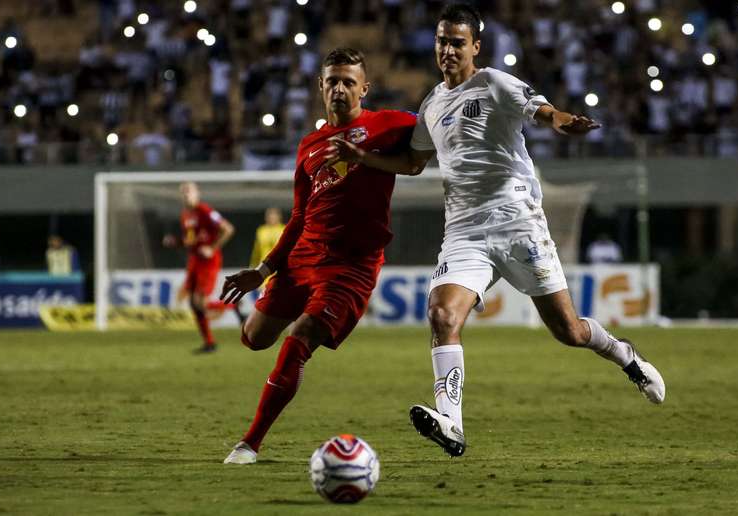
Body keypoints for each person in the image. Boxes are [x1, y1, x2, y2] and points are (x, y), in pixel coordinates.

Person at [328, 3, 665, 458]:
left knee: (568, 331)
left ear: (476, 47)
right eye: (442, 41)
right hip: (465, 231)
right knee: (442, 315)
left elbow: (543, 110)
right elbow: (412, 162)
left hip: (517, 223)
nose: (448, 50)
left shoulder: (494, 83)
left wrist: (565, 122)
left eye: (457, 42)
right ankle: (452, 424)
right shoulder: (431, 104)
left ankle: (625, 355)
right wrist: (364, 158)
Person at [219, 47, 416, 465]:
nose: (340, 88)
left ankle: (249, 444)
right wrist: (264, 269)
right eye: (332, 81)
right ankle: (308, 310)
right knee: (254, 338)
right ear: (320, 87)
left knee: (301, 337)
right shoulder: (309, 144)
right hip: (304, 255)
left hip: (352, 265)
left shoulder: (390, 124)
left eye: (349, 81)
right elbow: (298, 216)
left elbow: (432, 137)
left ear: (365, 88)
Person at [163, 182, 235, 354]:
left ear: (197, 193)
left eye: (189, 191)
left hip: (209, 262)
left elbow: (228, 229)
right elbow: (191, 240)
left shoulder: (205, 210)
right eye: (183, 192)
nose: (186, 194)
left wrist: (212, 248)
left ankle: (233, 305)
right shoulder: (186, 215)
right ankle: (209, 343)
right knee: (193, 303)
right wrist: (177, 242)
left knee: (199, 302)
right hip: (194, 261)